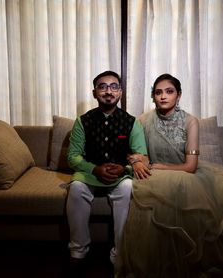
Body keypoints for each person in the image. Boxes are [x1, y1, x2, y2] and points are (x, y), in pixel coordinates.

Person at [117, 74, 223, 277]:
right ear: (153, 97)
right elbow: (129, 151)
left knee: (184, 188)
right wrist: (137, 160)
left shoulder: (190, 121)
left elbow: (190, 167)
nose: (163, 96)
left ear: (179, 95)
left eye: (169, 91)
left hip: (182, 172)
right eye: (158, 92)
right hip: (152, 175)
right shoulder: (143, 120)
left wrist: (157, 166)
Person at [66, 71, 150, 271]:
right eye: (102, 87)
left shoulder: (132, 122)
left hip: (120, 175)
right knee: (76, 188)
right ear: (95, 93)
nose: (108, 91)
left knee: (128, 187)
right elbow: (73, 157)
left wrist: (126, 168)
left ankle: (119, 253)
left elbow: (142, 156)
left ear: (120, 93)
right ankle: (78, 251)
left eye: (114, 87)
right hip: (89, 173)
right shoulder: (82, 121)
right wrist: (94, 169)